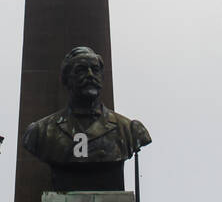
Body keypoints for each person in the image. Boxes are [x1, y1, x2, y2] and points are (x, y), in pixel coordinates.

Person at [22, 46, 150, 191]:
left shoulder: (129, 130)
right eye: (81, 70)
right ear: (66, 79)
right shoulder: (41, 132)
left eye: (95, 70)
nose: (90, 75)